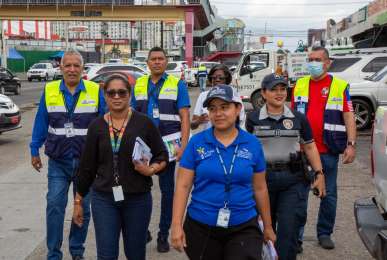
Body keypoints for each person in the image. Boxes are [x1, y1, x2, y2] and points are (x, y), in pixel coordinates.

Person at [171, 84, 276, 260]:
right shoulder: (196, 143)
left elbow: (260, 188)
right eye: (213, 109)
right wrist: (176, 225)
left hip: (243, 226)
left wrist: (268, 226)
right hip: (201, 226)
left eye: (224, 107)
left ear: (238, 109)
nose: (218, 113)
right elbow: (183, 186)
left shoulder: (252, 144)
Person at [72, 74, 168, 260]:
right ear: (105, 96)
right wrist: (78, 202)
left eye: (122, 92)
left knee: (135, 254)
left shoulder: (144, 123)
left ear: (129, 95)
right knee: (106, 255)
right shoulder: (96, 126)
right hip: (104, 199)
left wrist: (151, 170)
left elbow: (162, 155)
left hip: (138, 199)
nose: (117, 97)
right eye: (111, 93)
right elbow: (87, 168)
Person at [30, 49, 106, 260]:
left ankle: (77, 251)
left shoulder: (94, 90)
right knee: (55, 205)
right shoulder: (50, 89)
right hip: (58, 162)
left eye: (76, 66)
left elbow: (104, 124)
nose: (72, 69)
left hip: (87, 164)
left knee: (83, 208)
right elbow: (41, 121)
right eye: (68, 65)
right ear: (61, 68)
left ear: (83, 69)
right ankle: (54, 254)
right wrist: (34, 149)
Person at [246, 73, 326, 260]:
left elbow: (310, 146)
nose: (279, 93)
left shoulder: (298, 118)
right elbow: (245, 149)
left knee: (289, 231)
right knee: (263, 230)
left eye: (283, 89)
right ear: (264, 93)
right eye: (274, 89)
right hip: (262, 182)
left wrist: (319, 173)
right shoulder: (253, 118)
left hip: (293, 180)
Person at [292, 46, 356, 250]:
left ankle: (324, 233)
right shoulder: (299, 84)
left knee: (328, 194)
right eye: (310, 59)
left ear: (328, 63)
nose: (313, 63)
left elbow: (348, 116)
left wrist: (351, 144)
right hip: (302, 151)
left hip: (328, 150)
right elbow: (292, 115)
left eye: (318, 59)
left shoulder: (340, 86)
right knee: (298, 196)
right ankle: (297, 236)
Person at [131, 46, 190, 252]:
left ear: (166, 62)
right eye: (153, 59)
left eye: (160, 59)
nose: (157, 62)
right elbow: (130, 115)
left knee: (167, 191)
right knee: (138, 189)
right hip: (144, 145)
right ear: (147, 63)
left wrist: (184, 143)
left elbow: (184, 116)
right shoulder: (138, 84)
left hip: (168, 144)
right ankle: (142, 230)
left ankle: (163, 234)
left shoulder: (177, 84)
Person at [191, 64, 246, 131]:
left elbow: (241, 124)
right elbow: (192, 126)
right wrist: (199, 120)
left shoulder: (234, 96)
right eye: (214, 78)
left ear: (227, 79)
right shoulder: (203, 96)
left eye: (221, 78)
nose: (217, 80)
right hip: (209, 140)